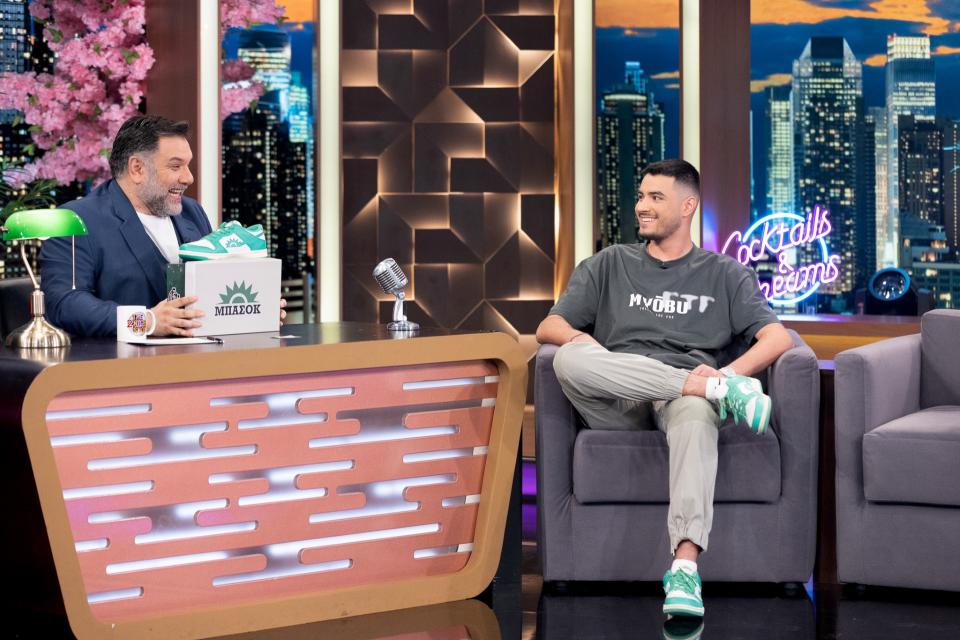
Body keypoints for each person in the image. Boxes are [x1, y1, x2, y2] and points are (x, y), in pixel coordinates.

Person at [535, 159, 793, 620]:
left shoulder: (725, 274)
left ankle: (685, 570)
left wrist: (725, 374)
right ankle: (711, 391)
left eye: (656, 198)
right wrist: (586, 342)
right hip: (619, 396)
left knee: (695, 414)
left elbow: (777, 338)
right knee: (568, 358)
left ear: (688, 206)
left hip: (682, 403)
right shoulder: (610, 263)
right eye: (641, 196)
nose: (642, 207)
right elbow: (549, 326)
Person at [40, 115, 284, 337]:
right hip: (116, 366)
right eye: (176, 166)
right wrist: (146, 321)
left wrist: (254, 309)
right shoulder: (75, 220)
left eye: (188, 166)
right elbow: (64, 305)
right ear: (137, 168)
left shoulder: (192, 211)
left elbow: (214, 292)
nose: (188, 178)